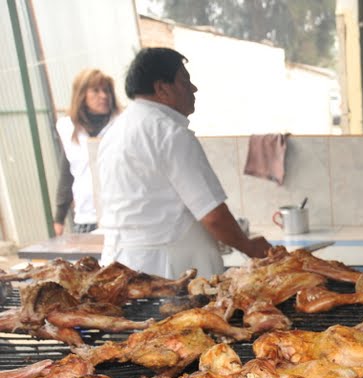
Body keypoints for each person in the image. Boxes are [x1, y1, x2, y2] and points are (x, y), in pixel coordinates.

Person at [98, 48, 270, 278]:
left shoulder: (113, 132)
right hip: (170, 275)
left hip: (119, 269)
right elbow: (213, 216)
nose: (193, 88)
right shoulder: (170, 133)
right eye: (185, 81)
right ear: (161, 89)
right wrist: (250, 248)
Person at [53, 69, 121, 236]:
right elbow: (67, 173)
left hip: (120, 217)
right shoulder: (68, 128)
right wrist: (59, 217)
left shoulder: (121, 124)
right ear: (82, 95)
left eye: (106, 91)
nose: (104, 96)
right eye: (96, 91)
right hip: (86, 217)